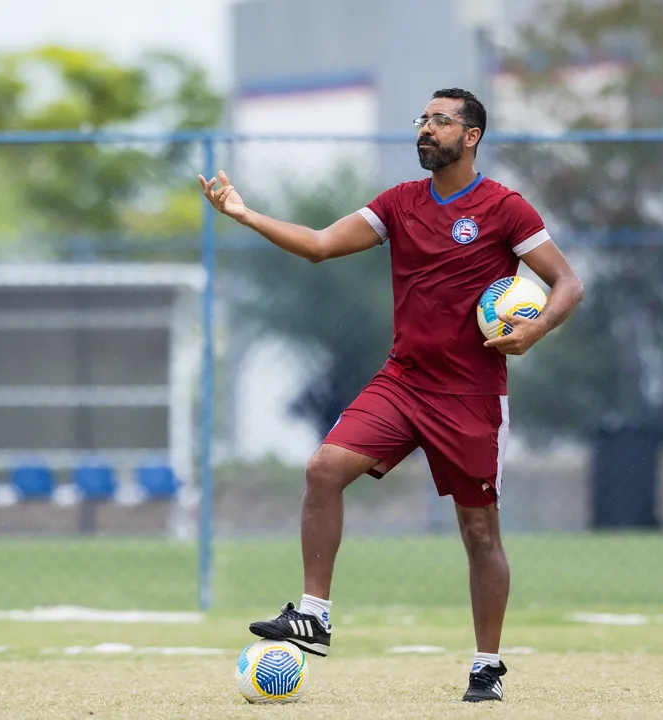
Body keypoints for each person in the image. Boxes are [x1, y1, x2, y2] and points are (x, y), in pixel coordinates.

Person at [199, 87, 584, 703]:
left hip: (471, 395)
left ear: (471, 136)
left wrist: (536, 328)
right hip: (403, 381)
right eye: (422, 119)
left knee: (479, 531)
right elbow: (322, 245)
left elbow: (567, 282)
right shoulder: (400, 203)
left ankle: (487, 665)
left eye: (440, 120)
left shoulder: (505, 208)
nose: (425, 129)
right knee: (324, 468)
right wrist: (245, 214)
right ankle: (314, 614)